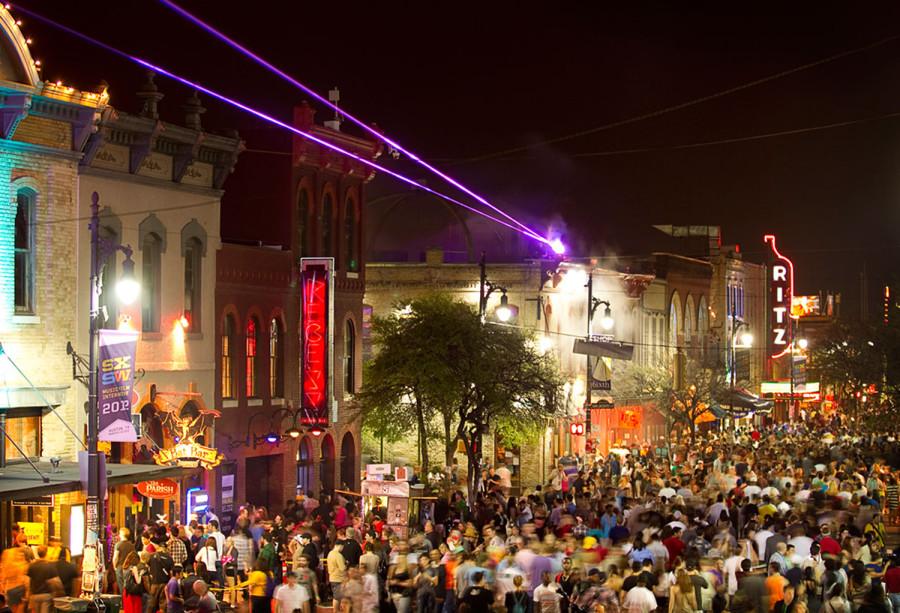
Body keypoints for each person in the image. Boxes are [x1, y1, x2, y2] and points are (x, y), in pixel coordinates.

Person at [26, 547, 61, 613]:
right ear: (46, 553)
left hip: (35, 595)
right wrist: (58, 592)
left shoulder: (32, 566)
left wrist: (28, 594)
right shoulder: (50, 566)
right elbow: (56, 581)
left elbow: (28, 581)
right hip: (46, 595)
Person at [114, 528, 136, 595]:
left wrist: (115, 566)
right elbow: (133, 557)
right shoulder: (131, 546)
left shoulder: (118, 545)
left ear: (121, 535)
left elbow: (115, 557)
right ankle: (127, 601)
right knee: (127, 585)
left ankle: (123, 601)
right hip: (128, 567)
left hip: (120, 567)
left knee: (121, 586)